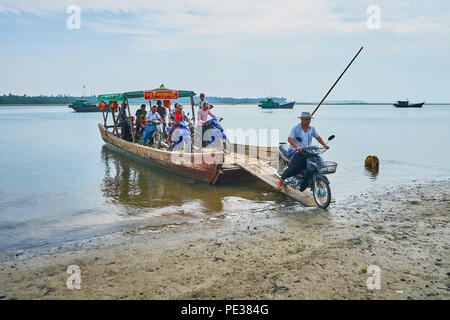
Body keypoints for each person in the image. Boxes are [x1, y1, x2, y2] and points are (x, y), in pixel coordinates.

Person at [275, 112, 329, 191]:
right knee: (293, 168)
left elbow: (318, 137)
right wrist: (297, 146)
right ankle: (280, 182)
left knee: (314, 164)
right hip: (295, 151)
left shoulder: (312, 129)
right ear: (301, 120)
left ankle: (314, 180)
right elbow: (289, 139)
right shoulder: (296, 128)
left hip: (307, 152)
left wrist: (324, 145)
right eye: (305, 119)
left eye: (308, 119)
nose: (307, 121)